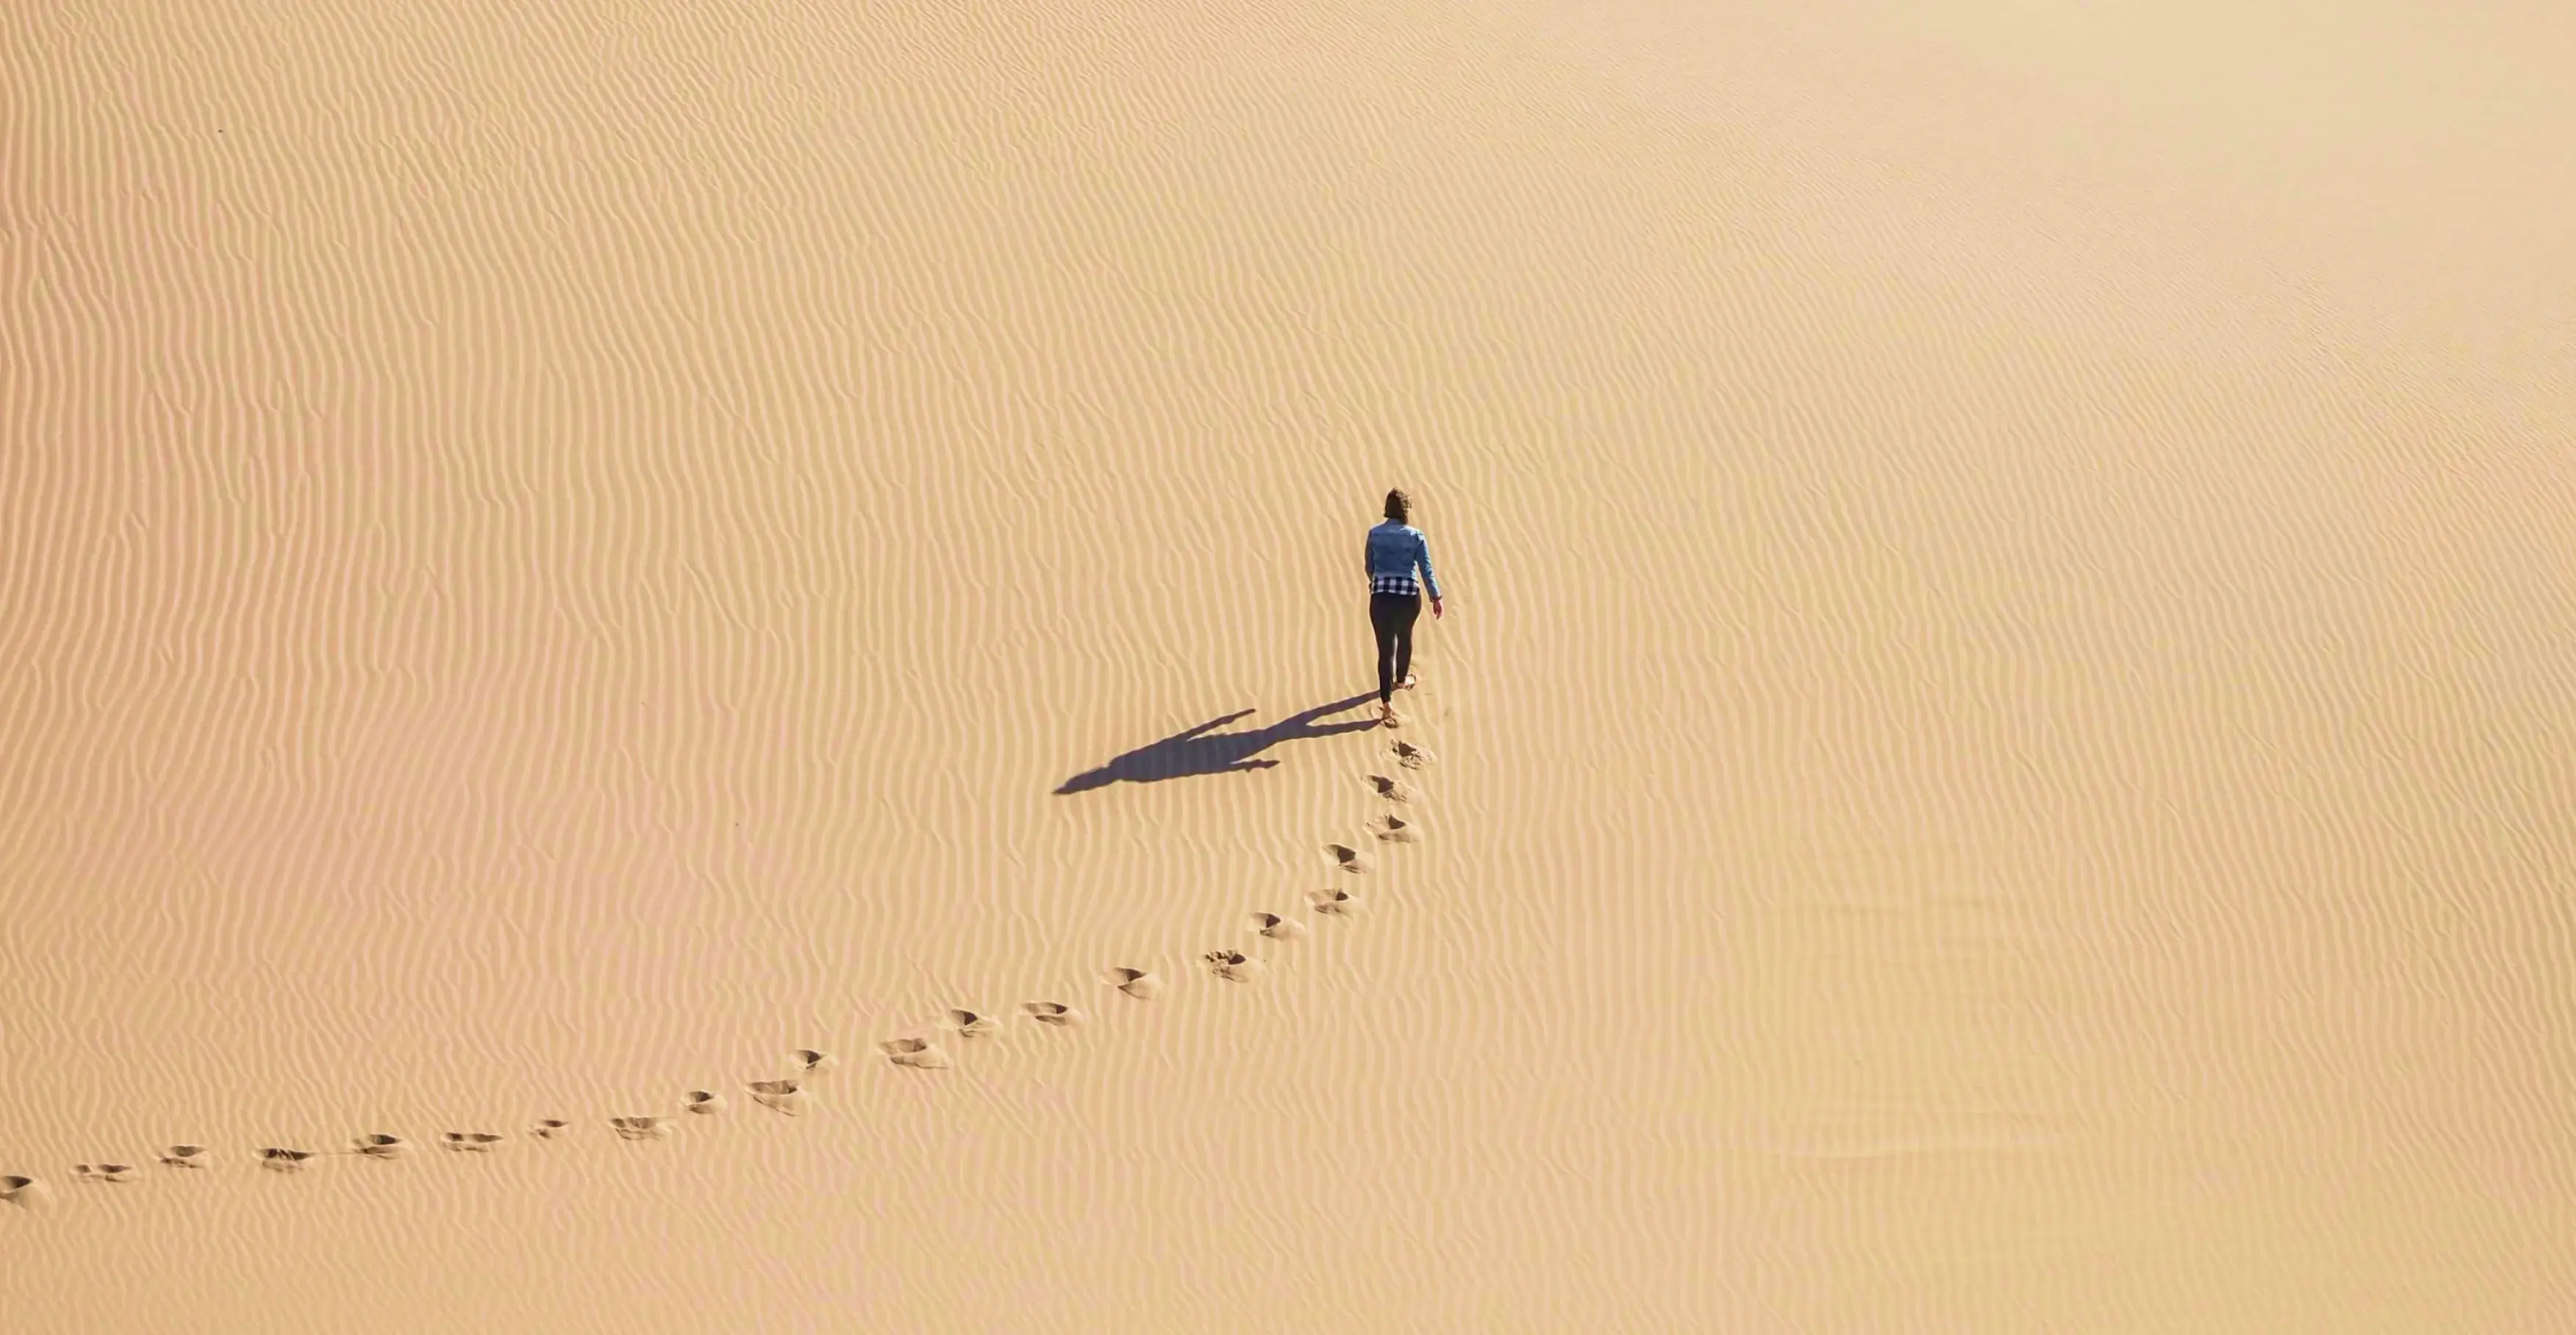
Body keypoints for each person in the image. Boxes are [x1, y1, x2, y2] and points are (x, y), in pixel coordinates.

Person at [1365, 489, 1444, 726]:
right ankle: (1401, 681)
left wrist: (1376, 582)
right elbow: (1425, 569)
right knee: (1405, 637)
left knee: (1385, 649)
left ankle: (1386, 704)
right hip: (1408, 597)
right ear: (1405, 511)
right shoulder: (1416, 535)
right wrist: (1435, 596)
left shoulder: (1374, 533)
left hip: (1381, 597)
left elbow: (1369, 566)